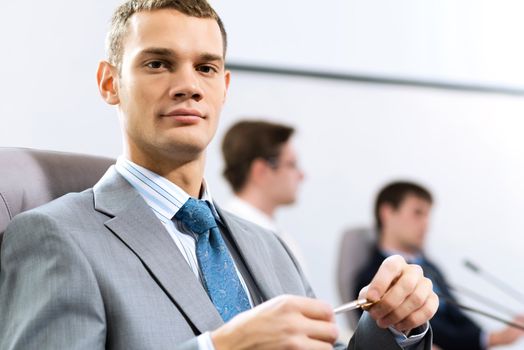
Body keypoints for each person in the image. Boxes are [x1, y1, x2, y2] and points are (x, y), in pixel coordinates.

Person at [0, 1, 438, 349]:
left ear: (224, 88)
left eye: (205, 68)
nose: (189, 85)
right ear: (109, 83)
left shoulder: (268, 246)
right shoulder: (52, 236)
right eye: (157, 63)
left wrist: (394, 328)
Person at [353, 181, 524, 350]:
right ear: (387, 213)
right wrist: (490, 339)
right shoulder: (373, 279)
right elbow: (419, 326)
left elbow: (456, 314)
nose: (426, 224)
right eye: (417, 213)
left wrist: (485, 336)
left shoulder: (431, 267)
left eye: (428, 215)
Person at [221, 120, 307, 268]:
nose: (302, 175)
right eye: (292, 164)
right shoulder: (230, 237)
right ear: (261, 171)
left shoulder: (278, 235)